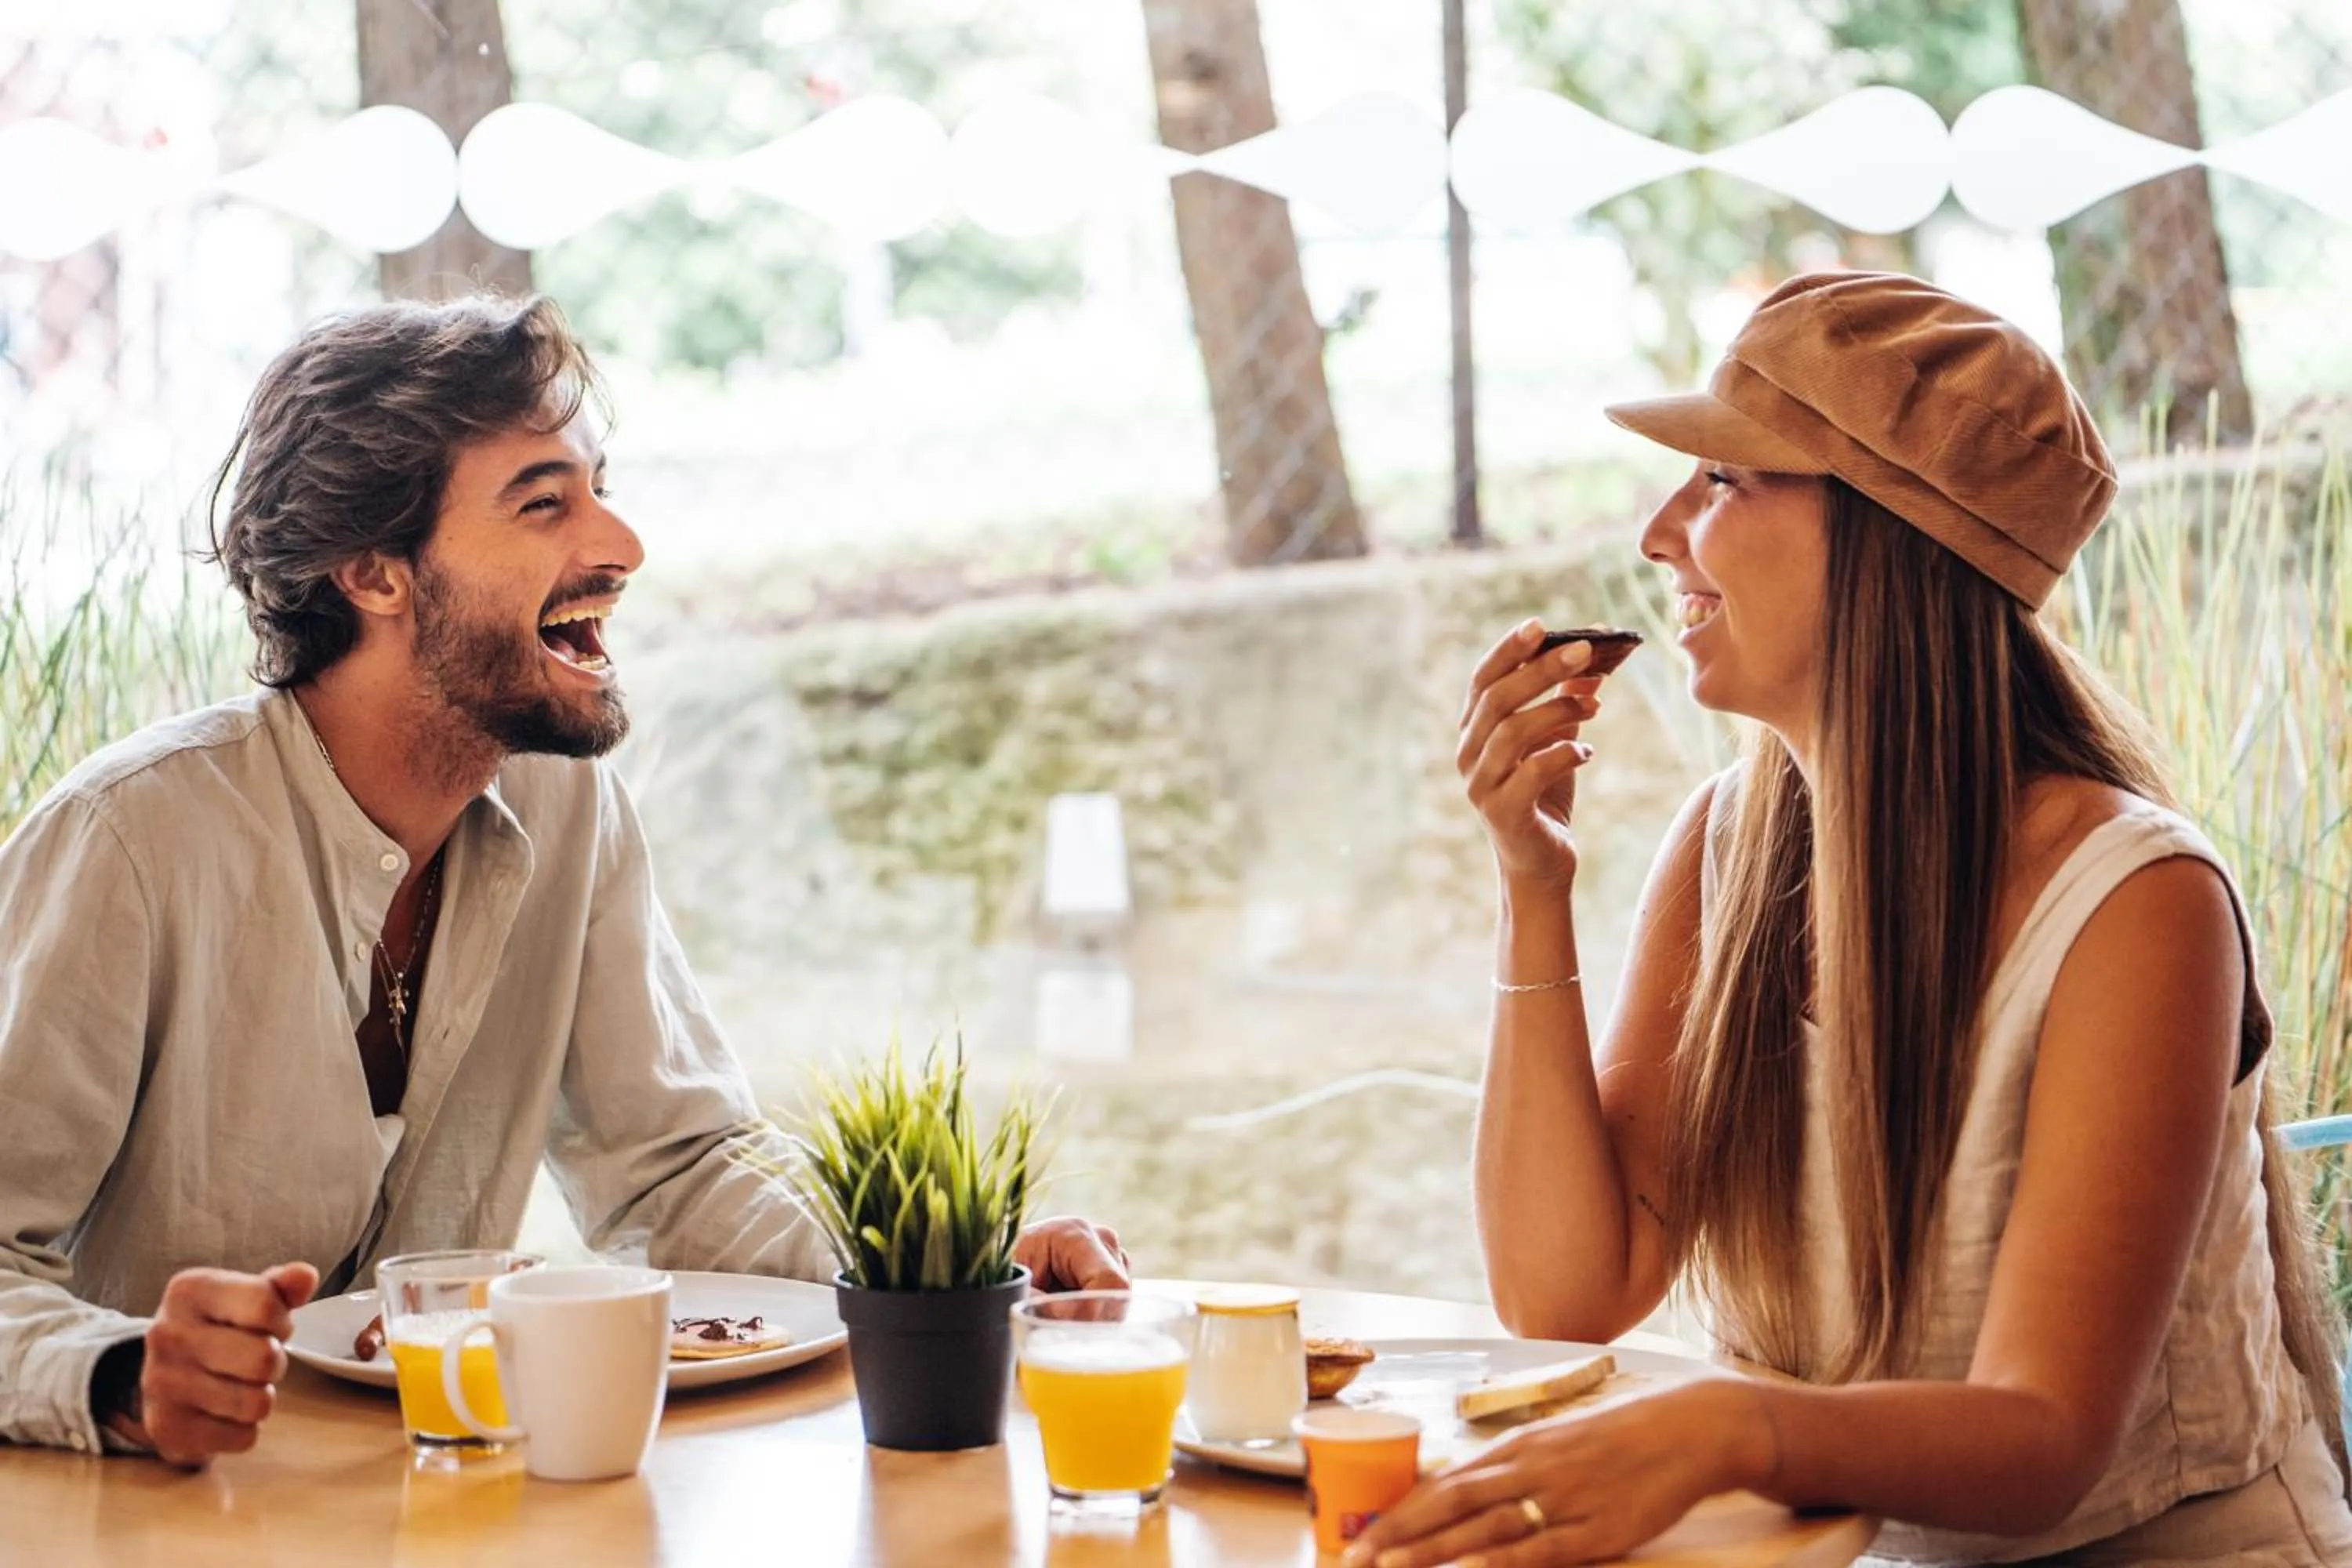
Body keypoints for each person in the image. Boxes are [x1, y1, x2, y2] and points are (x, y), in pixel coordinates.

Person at [0, 295, 1127, 1468]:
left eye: (599, 487)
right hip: (144, 1520)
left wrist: (951, 1265)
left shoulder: (565, 805)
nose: (621, 544)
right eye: (545, 503)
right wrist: (121, 1378)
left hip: (438, 1505)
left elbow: (678, 1168)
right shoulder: (129, 842)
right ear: (375, 574)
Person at [1353, 271, 2352, 1566]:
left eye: (1722, 482)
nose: (1661, 534)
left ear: (1887, 538)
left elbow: (2042, 1438)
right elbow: (1568, 1293)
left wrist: (1729, 1427)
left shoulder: (2138, 904)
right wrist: (1529, 887)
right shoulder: (1729, 846)